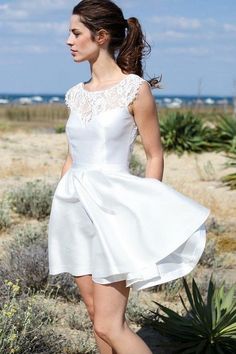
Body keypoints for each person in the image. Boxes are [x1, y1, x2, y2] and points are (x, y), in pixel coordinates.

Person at [47, 1, 211, 353]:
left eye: (75, 33)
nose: (68, 40)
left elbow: (155, 154)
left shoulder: (134, 89)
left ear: (101, 36)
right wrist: (58, 203)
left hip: (113, 212)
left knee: (110, 323)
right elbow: (73, 154)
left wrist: (147, 211)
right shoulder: (75, 95)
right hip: (73, 211)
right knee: (96, 318)